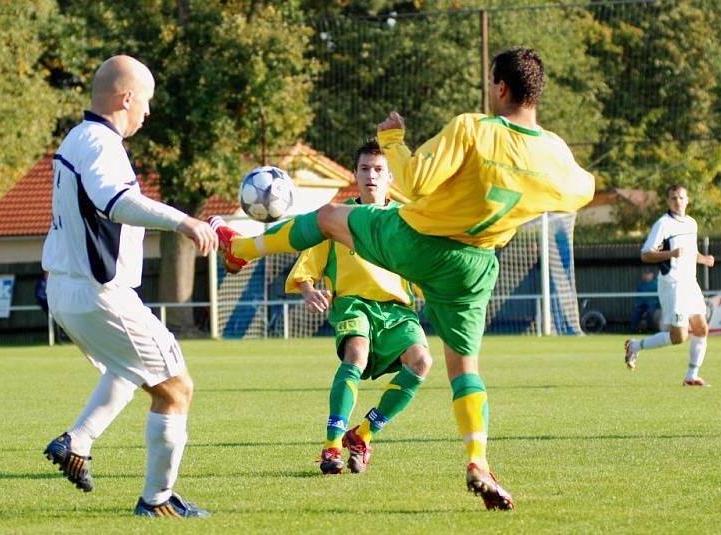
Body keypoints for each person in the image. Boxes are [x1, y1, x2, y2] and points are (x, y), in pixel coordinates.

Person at [208, 47, 594, 511]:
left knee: (331, 217)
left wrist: (392, 139)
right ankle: (478, 460)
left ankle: (239, 249)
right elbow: (581, 191)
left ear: (501, 88)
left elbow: (411, 184)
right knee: (463, 368)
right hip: (474, 267)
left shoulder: (473, 128)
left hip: (419, 240)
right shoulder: (555, 154)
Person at [40, 55, 217, 518]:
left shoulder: (75, 139)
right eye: (147, 101)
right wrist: (184, 222)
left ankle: (76, 440)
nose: (148, 112)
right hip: (99, 293)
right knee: (176, 389)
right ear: (126, 98)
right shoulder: (100, 143)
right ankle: (156, 501)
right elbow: (117, 202)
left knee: (129, 369)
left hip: (67, 291)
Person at [285, 140, 432, 475]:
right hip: (353, 304)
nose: (371, 175)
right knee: (357, 354)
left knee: (422, 361)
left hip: (396, 311)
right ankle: (332, 445)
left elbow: (425, 268)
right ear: (355, 174)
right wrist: (308, 291)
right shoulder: (338, 219)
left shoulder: (404, 220)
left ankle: (363, 434)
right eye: (365, 168)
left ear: (390, 177)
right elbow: (308, 265)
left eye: (379, 169)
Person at [624, 185, 715, 386]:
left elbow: (690, 251)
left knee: (701, 329)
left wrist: (703, 259)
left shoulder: (691, 223)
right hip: (672, 284)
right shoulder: (663, 224)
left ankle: (691, 376)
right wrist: (670, 254)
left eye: (681, 197)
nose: (677, 201)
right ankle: (635, 345)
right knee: (679, 336)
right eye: (673, 198)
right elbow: (645, 254)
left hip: (690, 282)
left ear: (687, 199)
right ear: (668, 201)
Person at [629, 269, 661, 333]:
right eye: (645, 274)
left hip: (653, 304)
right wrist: (637, 305)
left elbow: (660, 296)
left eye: (648, 274)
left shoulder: (657, 284)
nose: (646, 276)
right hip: (642, 304)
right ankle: (633, 330)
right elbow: (638, 297)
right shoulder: (640, 285)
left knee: (650, 312)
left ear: (652, 275)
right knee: (635, 313)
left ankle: (649, 329)